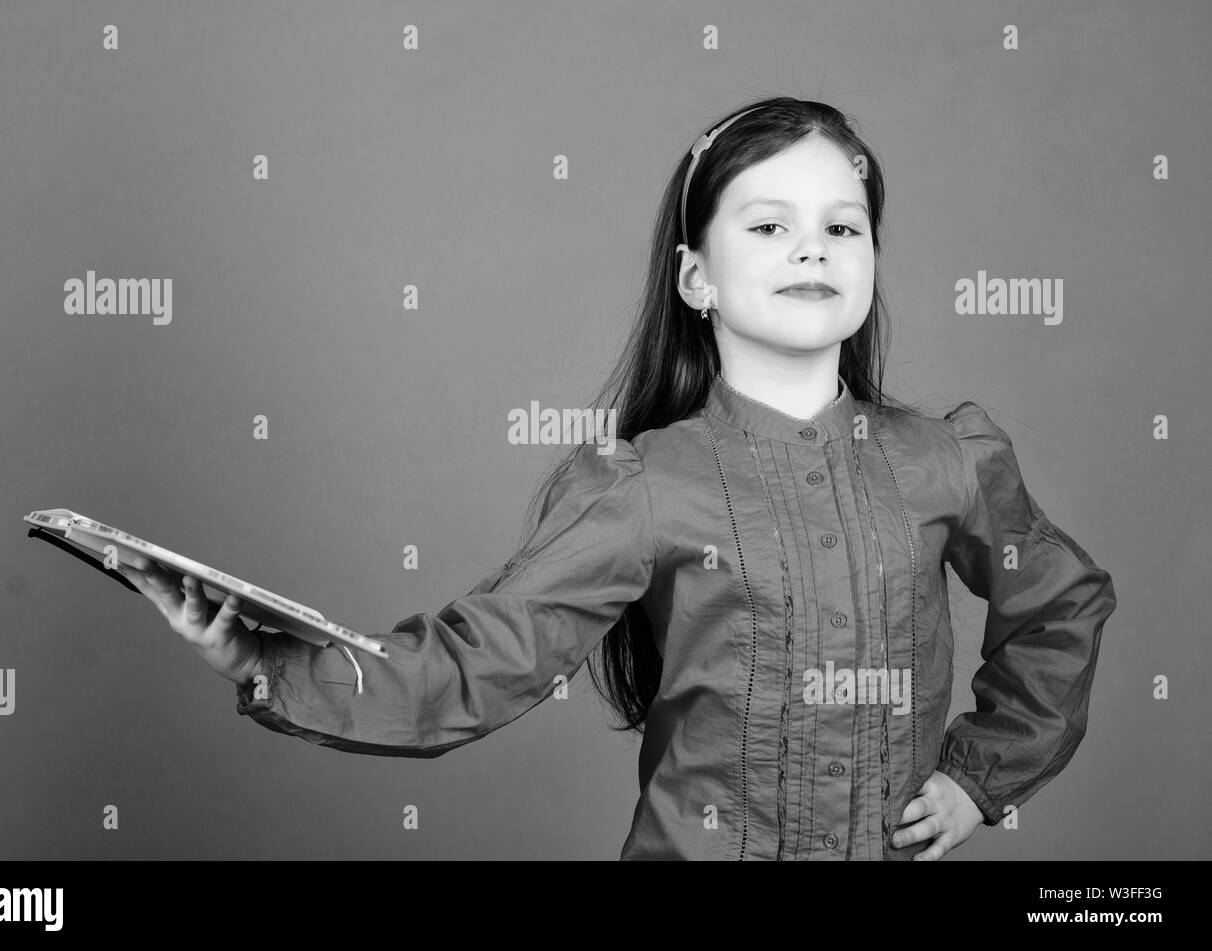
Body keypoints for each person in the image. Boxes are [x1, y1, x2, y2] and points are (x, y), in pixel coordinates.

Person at [121, 96, 1117, 861]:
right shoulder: (642, 486)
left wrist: (977, 779)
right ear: (696, 278)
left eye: (843, 226)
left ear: (869, 261)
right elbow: (475, 667)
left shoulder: (944, 460)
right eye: (767, 226)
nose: (811, 245)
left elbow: (1060, 609)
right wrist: (264, 663)